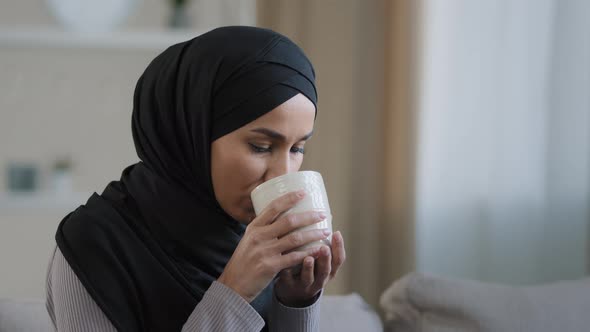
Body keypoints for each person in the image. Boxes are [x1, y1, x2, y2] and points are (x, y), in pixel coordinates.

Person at [45, 26, 346, 332]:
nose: (283, 174)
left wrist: (295, 302)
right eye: (261, 147)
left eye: (297, 148)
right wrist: (234, 291)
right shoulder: (94, 244)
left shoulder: (258, 238)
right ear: (192, 134)